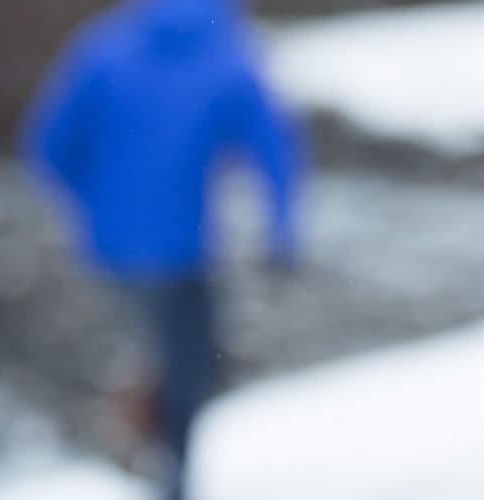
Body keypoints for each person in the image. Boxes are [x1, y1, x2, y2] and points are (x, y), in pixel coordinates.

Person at [19, 0, 304, 497]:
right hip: (182, 252)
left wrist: (89, 205)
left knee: (173, 353)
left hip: (106, 246)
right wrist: (280, 232)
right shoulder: (230, 56)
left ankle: (133, 428)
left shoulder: (105, 47)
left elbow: (48, 144)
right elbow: (274, 150)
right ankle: (168, 475)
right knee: (195, 367)